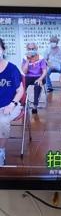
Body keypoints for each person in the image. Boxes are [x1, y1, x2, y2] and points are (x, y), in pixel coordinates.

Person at [0, 38, 24, 167]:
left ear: (3, 50)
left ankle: (1, 152)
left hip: (10, 105)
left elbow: (20, 90)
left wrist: (12, 104)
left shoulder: (12, 69)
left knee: (2, 121)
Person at [21, 42, 47, 114]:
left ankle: (35, 106)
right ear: (27, 49)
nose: (31, 50)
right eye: (29, 49)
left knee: (37, 85)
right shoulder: (25, 58)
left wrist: (40, 79)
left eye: (33, 49)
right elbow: (24, 72)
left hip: (39, 76)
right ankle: (22, 102)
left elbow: (45, 71)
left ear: (36, 49)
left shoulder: (41, 58)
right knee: (21, 84)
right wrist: (28, 60)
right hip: (28, 76)